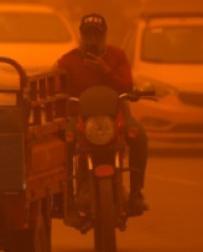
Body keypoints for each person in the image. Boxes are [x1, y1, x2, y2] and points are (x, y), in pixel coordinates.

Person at [56, 13, 149, 216]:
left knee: (139, 136)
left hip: (116, 117)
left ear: (105, 36)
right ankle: (66, 198)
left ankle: (136, 194)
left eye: (97, 35)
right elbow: (56, 89)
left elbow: (127, 86)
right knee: (64, 142)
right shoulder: (68, 61)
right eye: (88, 35)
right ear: (81, 36)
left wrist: (106, 71)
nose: (92, 40)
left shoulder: (118, 56)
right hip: (80, 119)